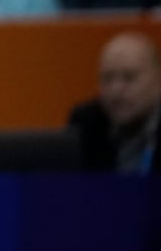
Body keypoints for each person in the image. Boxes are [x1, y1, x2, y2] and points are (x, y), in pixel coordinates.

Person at [68, 32, 160, 175]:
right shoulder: (87, 122)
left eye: (129, 77)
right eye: (107, 78)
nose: (116, 90)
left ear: (158, 80)